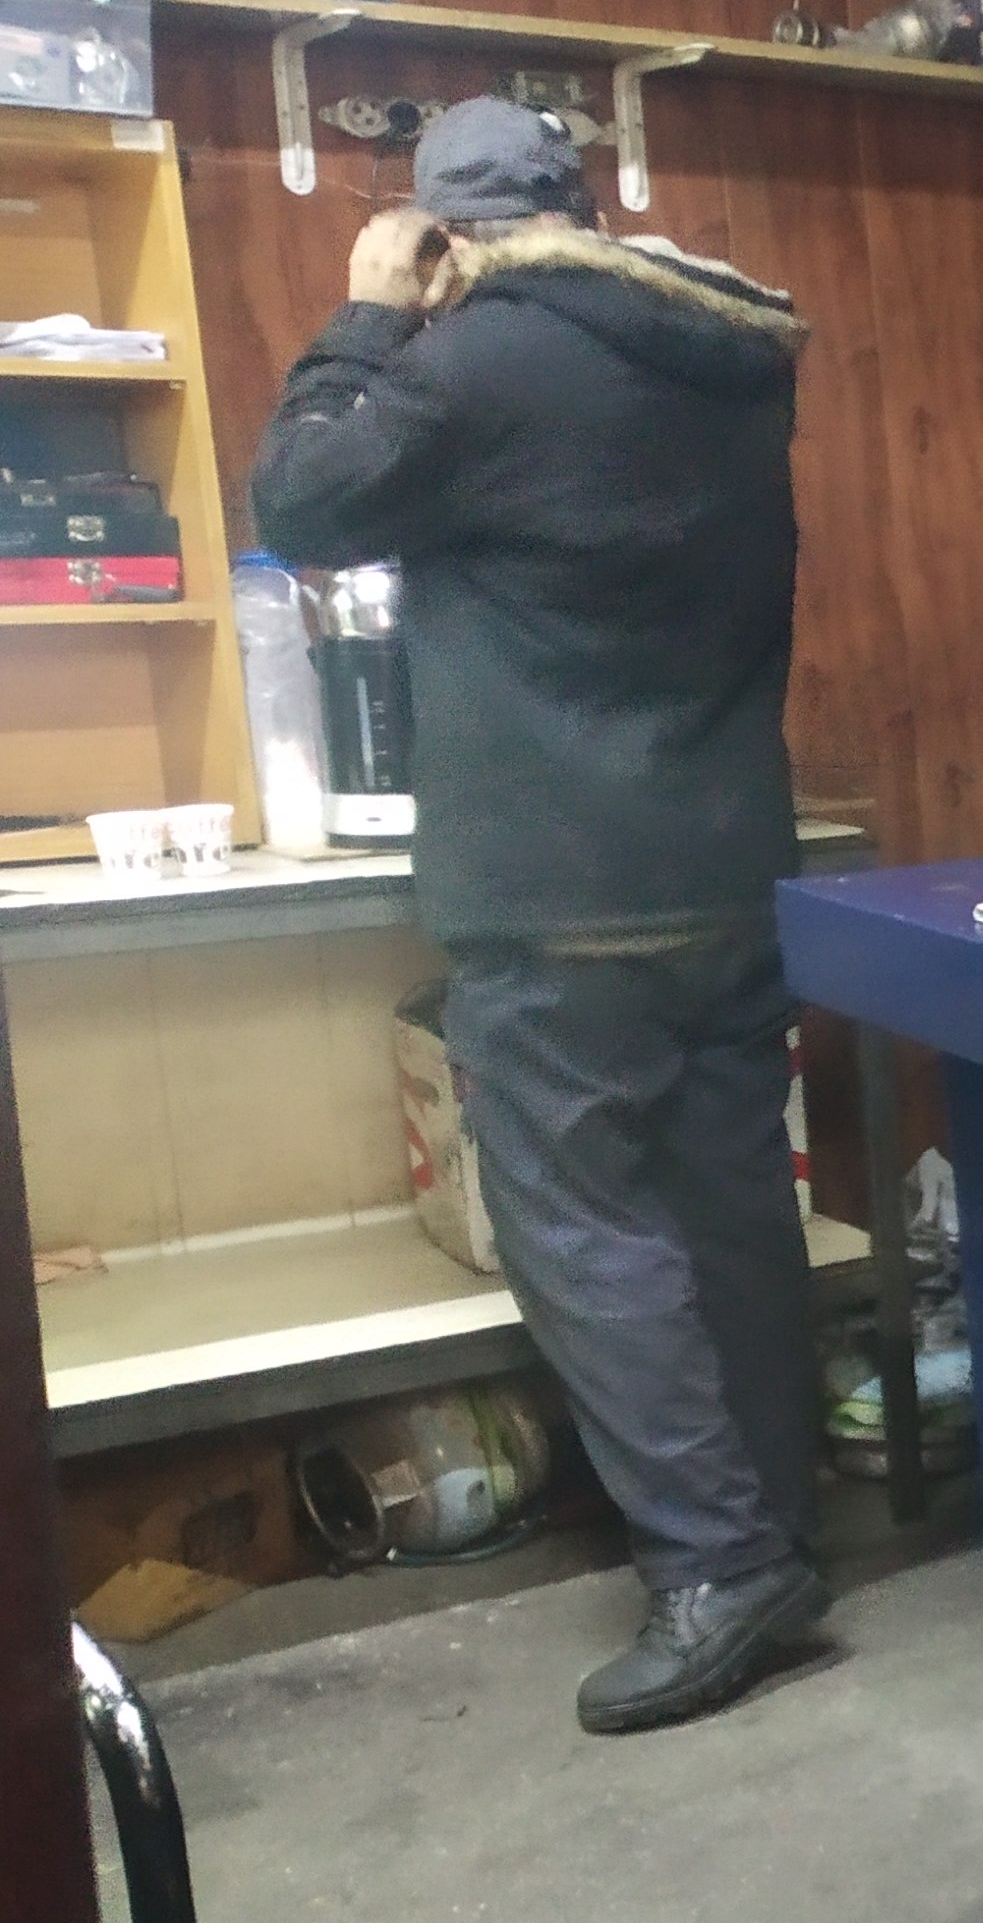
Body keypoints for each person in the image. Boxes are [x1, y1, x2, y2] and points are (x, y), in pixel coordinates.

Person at [254, 96, 831, 1735]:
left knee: (584, 1231)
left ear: (449, 236)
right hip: (727, 866)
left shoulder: (478, 365)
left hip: (564, 891)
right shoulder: (727, 354)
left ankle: (718, 1567)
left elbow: (298, 502)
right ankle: (781, 1535)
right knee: (732, 1211)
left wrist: (369, 315)